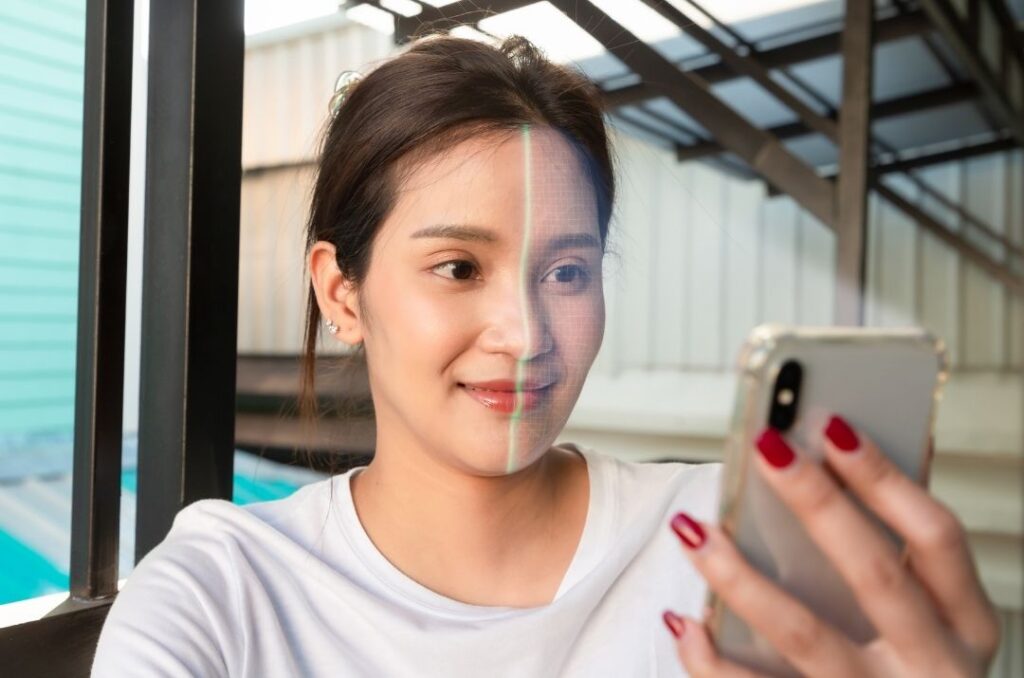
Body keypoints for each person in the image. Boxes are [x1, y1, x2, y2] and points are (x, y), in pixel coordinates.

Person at [91, 34, 999, 677]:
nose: (525, 336)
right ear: (342, 293)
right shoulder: (224, 589)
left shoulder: (726, 546)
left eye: (567, 270)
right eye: (458, 267)